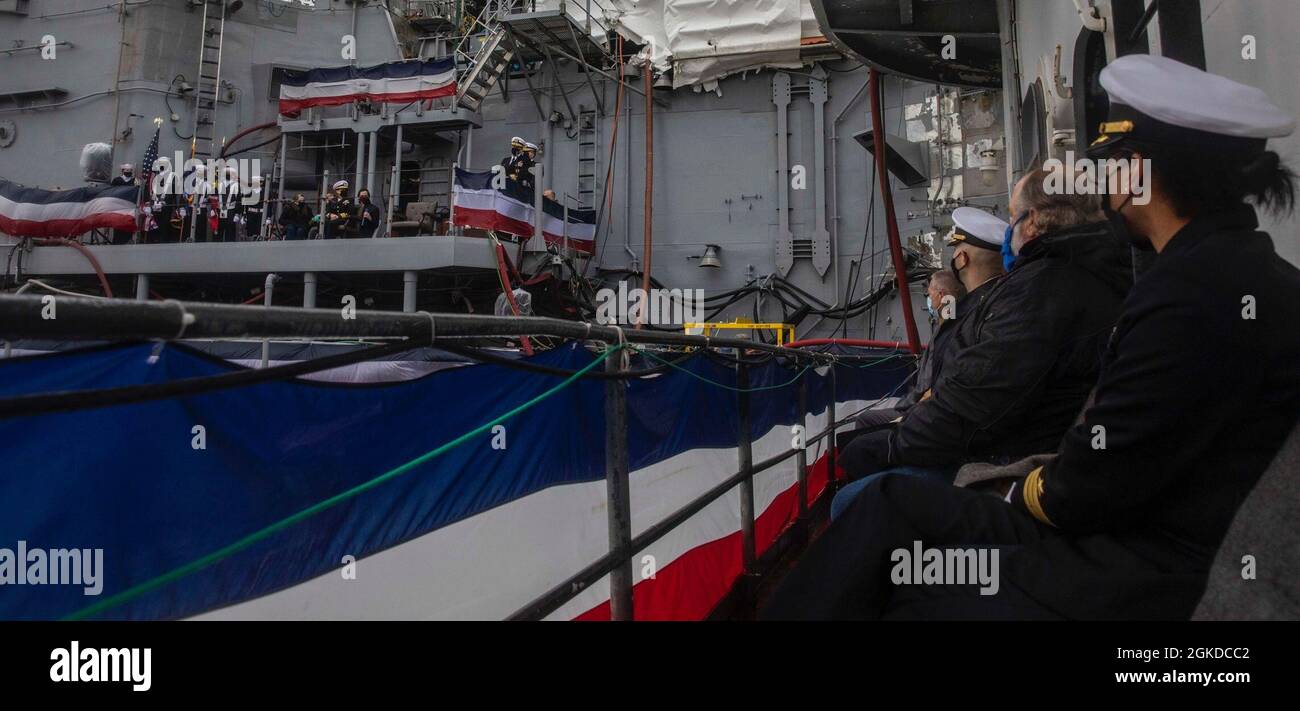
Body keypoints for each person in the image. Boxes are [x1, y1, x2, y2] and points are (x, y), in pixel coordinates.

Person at [762, 54, 1300, 621]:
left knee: (915, 589)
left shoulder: (1192, 294)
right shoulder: (1235, 270)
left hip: (1141, 561)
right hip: (1134, 525)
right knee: (890, 507)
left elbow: (1094, 484)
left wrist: (1012, 491)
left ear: (1139, 170)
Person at [837, 174, 1131, 498]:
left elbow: (972, 406)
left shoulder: (1037, 291)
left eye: (1011, 215)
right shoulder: (1089, 280)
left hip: (1006, 464)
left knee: (850, 494)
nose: (1009, 228)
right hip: (1032, 448)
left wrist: (893, 443)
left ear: (1031, 221)